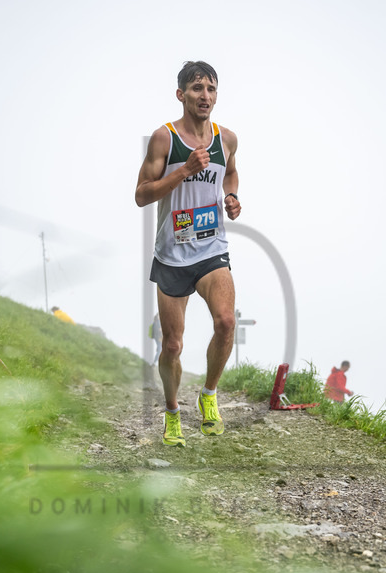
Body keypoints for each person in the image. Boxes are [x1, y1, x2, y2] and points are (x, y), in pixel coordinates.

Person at [135, 60, 241, 447]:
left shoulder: (226, 138)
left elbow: (230, 172)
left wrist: (231, 196)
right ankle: (173, 411)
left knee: (226, 322)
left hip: (212, 247)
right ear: (181, 95)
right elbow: (141, 195)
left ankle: (209, 396)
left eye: (211, 89)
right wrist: (182, 171)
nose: (205, 96)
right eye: (197, 89)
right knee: (173, 345)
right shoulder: (164, 139)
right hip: (173, 254)